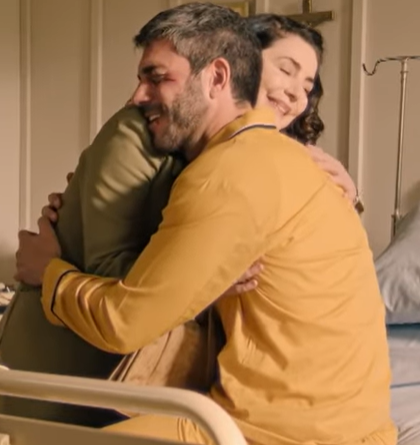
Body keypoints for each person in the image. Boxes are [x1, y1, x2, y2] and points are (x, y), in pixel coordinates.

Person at [15, 3, 396, 445]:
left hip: (281, 435)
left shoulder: (229, 172)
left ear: (217, 77)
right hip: (360, 428)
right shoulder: (287, 162)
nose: (138, 96)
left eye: (157, 78)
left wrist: (47, 271)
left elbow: (125, 323)